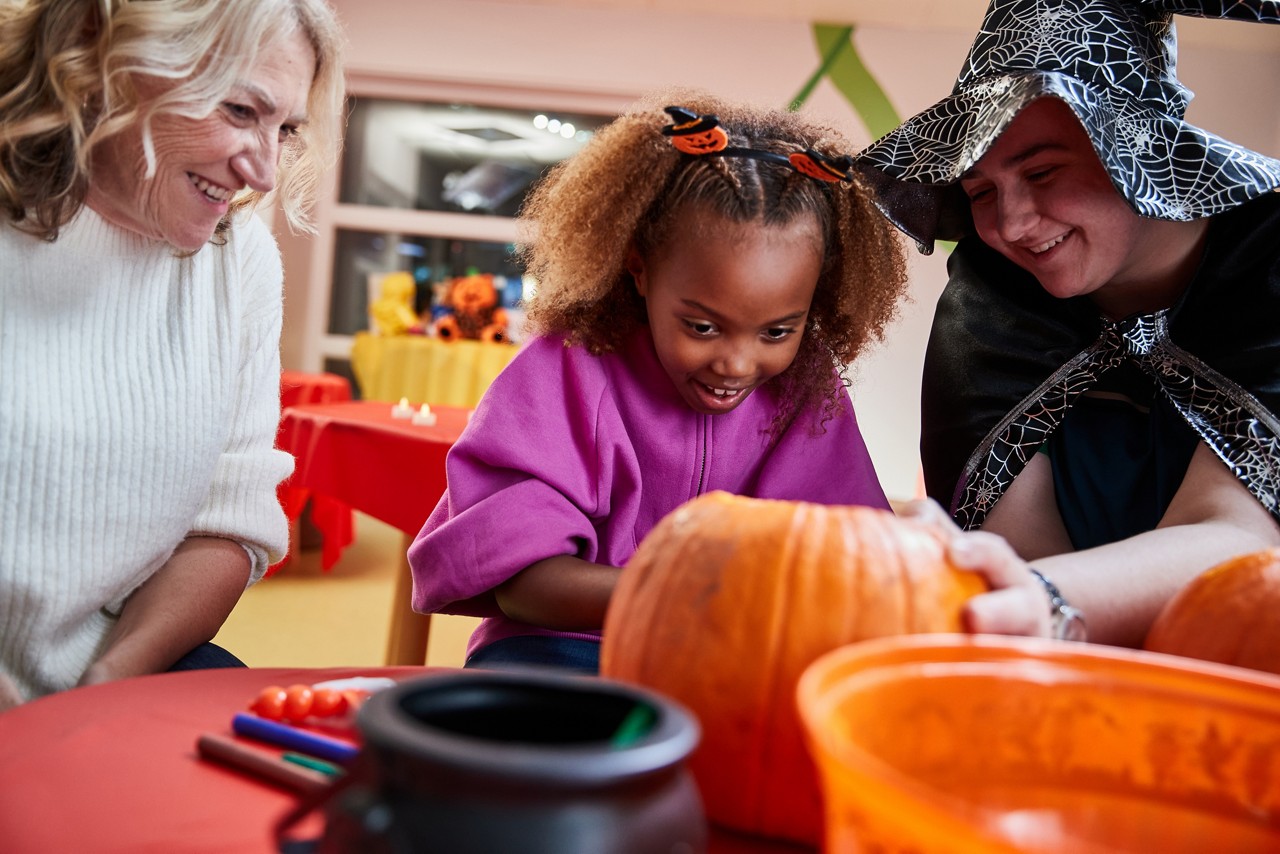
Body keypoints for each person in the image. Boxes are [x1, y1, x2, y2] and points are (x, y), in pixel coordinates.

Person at [409, 91, 909, 673]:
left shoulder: (804, 388)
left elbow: (847, 552)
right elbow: (525, 585)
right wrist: (692, 595)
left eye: (776, 331)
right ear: (639, 269)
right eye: (702, 326)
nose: (737, 364)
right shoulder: (570, 367)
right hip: (564, 651)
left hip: (729, 660)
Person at [855, 0, 1280, 648]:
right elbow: (1017, 552)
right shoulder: (990, 298)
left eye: (1044, 171)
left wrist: (1048, 598)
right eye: (980, 192)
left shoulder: (1270, 259)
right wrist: (1037, 602)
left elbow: (1240, 545)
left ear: (1137, 147)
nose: (1012, 224)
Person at [0, 0, 346, 709]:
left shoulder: (241, 259)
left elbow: (227, 517)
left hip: (111, 667)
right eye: (241, 111)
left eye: (285, 129)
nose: (264, 173)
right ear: (108, 63)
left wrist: (108, 682)